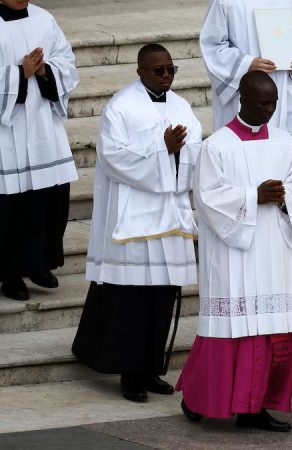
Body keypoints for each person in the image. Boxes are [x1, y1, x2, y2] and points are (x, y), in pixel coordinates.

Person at [176, 70, 292, 432]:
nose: (269, 110)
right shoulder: (217, 145)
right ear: (242, 99)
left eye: (273, 103)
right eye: (262, 103)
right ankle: (198, 398)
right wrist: (253, 197)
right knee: (230, 332)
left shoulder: (285, 142)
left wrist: (287, 197)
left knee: (274, 333)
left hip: (274, 251)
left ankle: (257, 408)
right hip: (234, 254)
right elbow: (207, 198)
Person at [71, 44, 201, 403]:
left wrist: (177, 151)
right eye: (158, 70)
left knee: (162, 296)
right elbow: (113, 157)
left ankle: (151, 368)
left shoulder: (181, 105)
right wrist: (162, 150)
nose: (165, 76)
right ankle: (129, 375)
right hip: (134, 217)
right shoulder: (120, 106)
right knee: (132, 300)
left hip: (170, 213)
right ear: (140, 70)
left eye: (170, 69)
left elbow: (196, 148)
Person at [0, 0, 78, 300]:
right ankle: (11, 275)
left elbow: (66, 60)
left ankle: (40, 264)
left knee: (49, 199)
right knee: (12, 205)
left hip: (44, 127)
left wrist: (46, 70)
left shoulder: (44, 18)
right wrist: (19, 73)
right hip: (9, 132)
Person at [199, 0, 292, 160]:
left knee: (290, 163)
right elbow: (212, 46)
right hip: (245, 91)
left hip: (283, 91)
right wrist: (247, 64)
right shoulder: (226, 2)